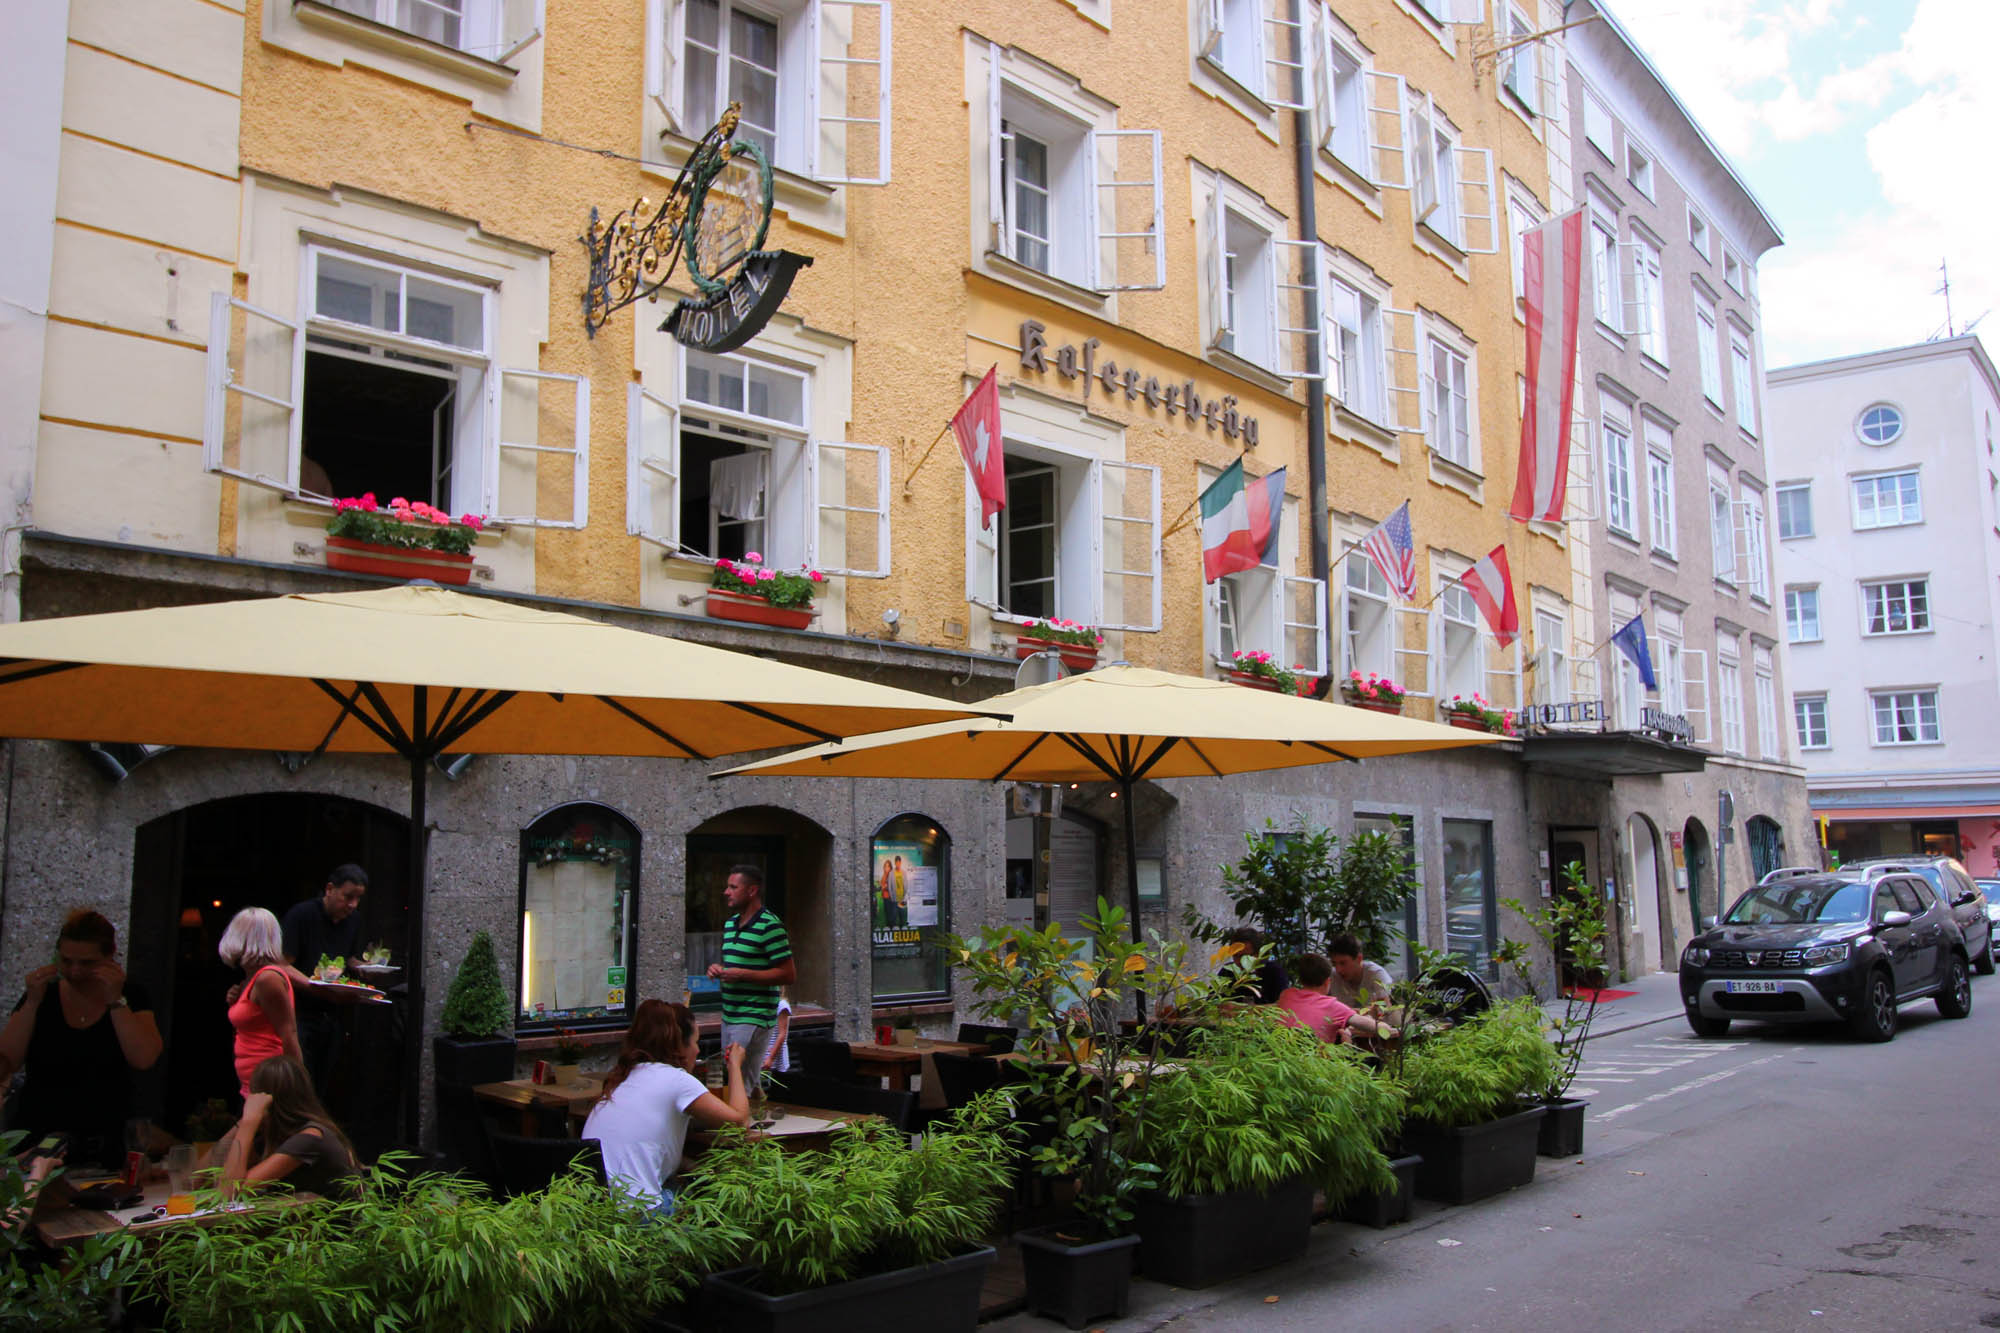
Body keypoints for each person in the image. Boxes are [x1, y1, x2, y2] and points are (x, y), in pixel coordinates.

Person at [0, 910, 162, 1170]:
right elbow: (7, 1061)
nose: (74, 972)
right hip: (38, 1138)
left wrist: (115, 1000)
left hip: (104, 1139)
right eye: (66, 961)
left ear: (110, 958)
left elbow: (144, 1058)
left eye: (87, 963)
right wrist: (31, 1002)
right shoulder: (43, 995)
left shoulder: (130, 995)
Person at [582, 1000, 749, 1216]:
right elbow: (739, 1123)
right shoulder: (676, 1080)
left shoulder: (623, 1078)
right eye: (696, 1041)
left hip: (593, 1209)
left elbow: (647, 1149)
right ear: (680, 1044)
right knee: (715, 1213)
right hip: (637, 1213)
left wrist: (692, 1167)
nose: (698, 1049)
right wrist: (735, 1065)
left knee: (678, 1186)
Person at [218, 1056, 360, 1199]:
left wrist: (249, 1123)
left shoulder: (310, 1139)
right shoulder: (275, 1138)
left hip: (337, 1221)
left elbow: (230, 1194)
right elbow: (200, 1180)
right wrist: (241, 1124)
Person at [704, 865, 794, 1090]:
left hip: (754, 1015)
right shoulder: (730, 924)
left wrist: (742, 975)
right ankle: (750, 1116)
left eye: (733, 887)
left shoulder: (770, 925)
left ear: (752, 891)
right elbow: (739, 964)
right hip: (729, 1013)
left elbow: (788, 974)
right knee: (731, 1078)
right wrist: (718, 969)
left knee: (739, 1081)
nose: (726, 892)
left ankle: (741, 1122)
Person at [279, 865, 369, 1090]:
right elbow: (282, 964)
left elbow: (349, 959)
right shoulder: (301, 915)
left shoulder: (354, 920)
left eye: (358, 898)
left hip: (333, 1015)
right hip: (299, 1013)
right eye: (348, 897)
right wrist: (312, 986)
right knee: (299, 1082)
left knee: (324, 1081)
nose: (353, 905)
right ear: (330, 889)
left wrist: (366, 968)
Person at [220, 908, 302, 1100]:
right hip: (252, 1082)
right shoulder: (251, 979)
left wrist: (297, 1088)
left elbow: (288, 1033)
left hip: (268, 1084)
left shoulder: (268, 979)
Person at [1275, 954, 1392, 1045]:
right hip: (1316, 1067)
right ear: (1327, 982)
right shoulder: (1332, 1006)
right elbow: (1382, 1029)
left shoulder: (1286, 995)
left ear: (1300, 980)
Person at [1327, 934, 1398, 1011]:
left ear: (1359, 958)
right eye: (1334, 963)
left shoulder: (1376, 974)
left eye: (1343, 963)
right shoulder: (1331, 977)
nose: (1338, 969)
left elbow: (1384, 1007)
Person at [1221, 927, 1289, 1005]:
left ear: (1258, 955)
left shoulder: (1274, 972)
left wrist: (1242, 1010)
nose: (1239, 961)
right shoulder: (1228, 971)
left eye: (1244, 957)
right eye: (1235, 956)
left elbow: (1283, 1006)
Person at [763, 988, 792, 1078]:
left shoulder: (781, 1005)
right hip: (763, 1052)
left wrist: (771, 1058)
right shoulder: (764, 1005)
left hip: (774, 1054)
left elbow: (782, 1034)